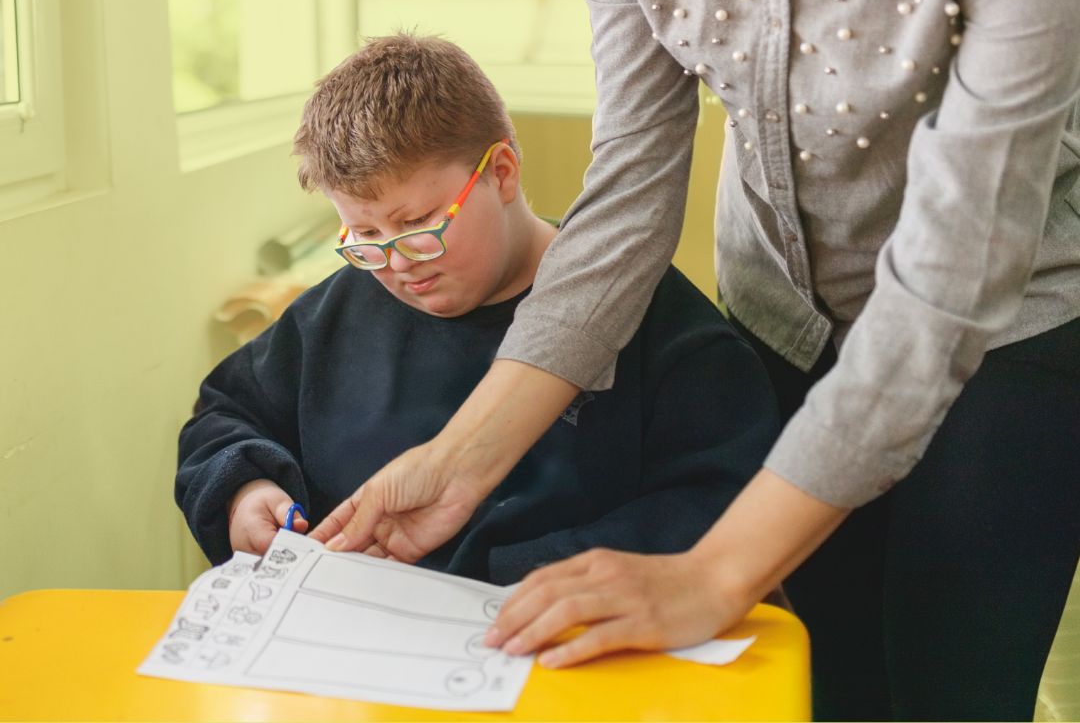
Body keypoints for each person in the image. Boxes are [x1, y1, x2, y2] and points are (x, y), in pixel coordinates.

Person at [309, 0, 1080, 720]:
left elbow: (949, 284)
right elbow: (628, 190)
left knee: (953, 690)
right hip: (786, 321)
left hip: (1004, 341)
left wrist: (714, 572)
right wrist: (457, 462)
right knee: (822, 680)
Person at [176, 34, 778, 585]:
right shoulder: (331, 318)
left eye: (418, 222)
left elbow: (725, 499)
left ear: (502, 172)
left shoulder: (657, 322)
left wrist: (505, 575)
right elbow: (225, 414)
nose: (398, 262)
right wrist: (243, 491)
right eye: (363, 235)